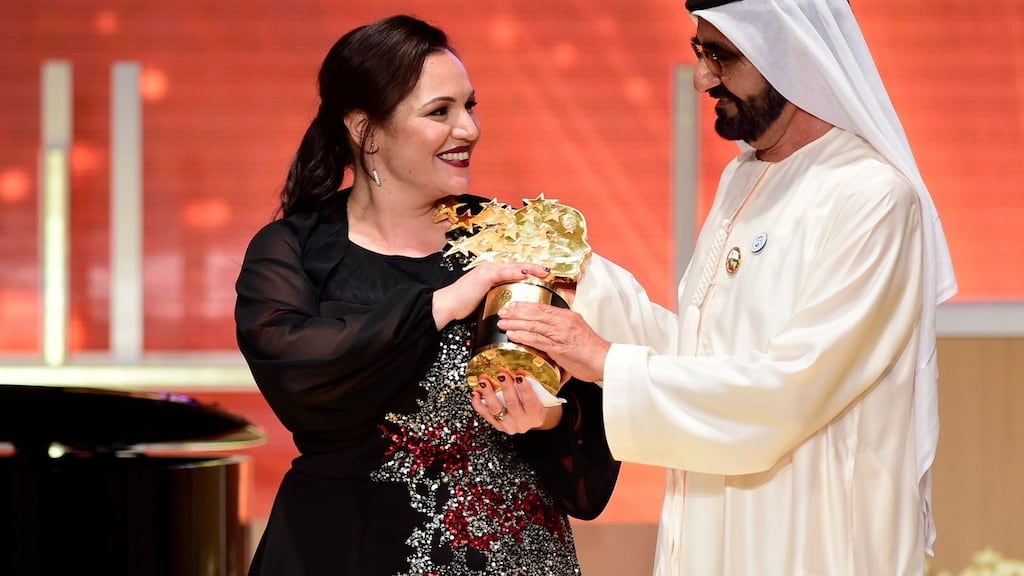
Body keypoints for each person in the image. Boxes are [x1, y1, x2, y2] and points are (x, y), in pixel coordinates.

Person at [493, 0, 958, 574]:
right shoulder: (744, 176)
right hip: (715, 517)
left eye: (723, 56)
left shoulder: (872, 197)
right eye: (700, 52)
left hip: (812, 533)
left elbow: (789, 389)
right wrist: (581, 276)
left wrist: (608, 362)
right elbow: (702, 354)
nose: (703, 78)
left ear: (791, 56)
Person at [234, 14, 619, 576]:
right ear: (366, 131)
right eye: (440, 112)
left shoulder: (514, 237)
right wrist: (445, 303)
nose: (468, 129)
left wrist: (547, 419)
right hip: (345, 548)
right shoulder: (295, 249)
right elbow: (299, 373)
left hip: (504, 552)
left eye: (470, 106)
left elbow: (586, 405)